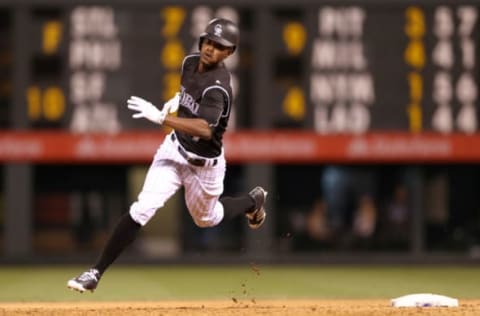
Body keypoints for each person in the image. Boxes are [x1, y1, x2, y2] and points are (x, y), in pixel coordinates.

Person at [67, 18, 267, 293]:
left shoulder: (219, 87)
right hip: (173, 151)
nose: (210, 48)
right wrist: (176, 100)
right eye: (208, 41)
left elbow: (204, 129)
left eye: (219, 46)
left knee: (206, 219)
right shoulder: (189, 63)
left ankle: (251, 201)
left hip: (205, 165)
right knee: (143, 207)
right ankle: (94, 273)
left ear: (229, 53)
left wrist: (162, 116)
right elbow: (187, 97)